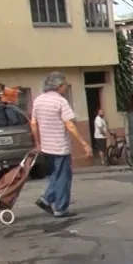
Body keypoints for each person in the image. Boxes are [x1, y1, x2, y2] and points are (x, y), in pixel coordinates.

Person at [31, 71, 91, 218]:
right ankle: (60, 207)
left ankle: (46, 199)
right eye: (65, 85)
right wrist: (84, 143)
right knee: (63, 177)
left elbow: (33, 123)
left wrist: (38, 142)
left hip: (46, 147)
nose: (65, 88)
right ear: (59, 86)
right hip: (60, 146)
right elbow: (69, 124)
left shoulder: (38, 100)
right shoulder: (61, 102)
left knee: (55, 175)